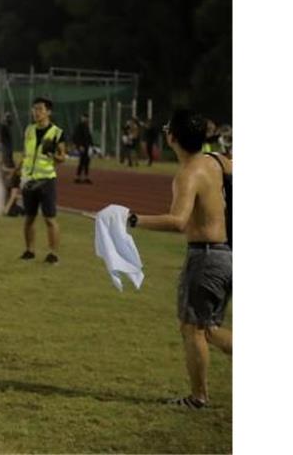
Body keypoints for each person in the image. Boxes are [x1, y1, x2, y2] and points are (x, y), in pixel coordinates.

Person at [129, 110, 231, 408]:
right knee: (209, 329)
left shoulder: (188, 174)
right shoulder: (215, 160)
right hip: (226, 254)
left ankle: (198, 397)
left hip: (205, 258)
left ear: (172, 137)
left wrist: (134, 220)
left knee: (193, 329)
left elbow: (178, 221)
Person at [18, 97, 66, 264]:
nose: (36, 112)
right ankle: (29, 250)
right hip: (29, 179)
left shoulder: (57, 132)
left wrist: (53, 154)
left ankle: (53, 253)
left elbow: (62, 157)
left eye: (40, 109)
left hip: (46, 180)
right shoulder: (29, 130)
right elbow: (26, 154)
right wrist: (18, 172)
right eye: (34, 109)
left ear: (48, 112)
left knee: (49, 218)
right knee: (29, 217)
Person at [72, 113, 94, 184]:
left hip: (87, 147)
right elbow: (76, 136)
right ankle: (77, 177)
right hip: (82, 147)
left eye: (87, 118)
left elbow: (89, 137)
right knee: (82, 162)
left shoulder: (87, 126)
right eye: (84, 118)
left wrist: (91, 145)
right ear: (82, 118)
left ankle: (86, 177)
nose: (85, 119)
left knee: (87, 162)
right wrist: (79, 145)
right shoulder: (79, 126)